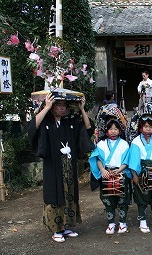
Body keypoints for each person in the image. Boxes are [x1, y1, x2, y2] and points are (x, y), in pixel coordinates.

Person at [28, 93, 95, 243]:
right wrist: (46, 107)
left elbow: (88, 127)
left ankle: (66, 226)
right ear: (52, 107)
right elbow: (33, 127)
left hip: (68, 165)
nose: (62, 108)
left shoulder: (69, 122)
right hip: (53, 165)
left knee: (69, 192)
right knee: (55, 194)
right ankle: (55, 229)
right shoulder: (46, 121)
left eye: (64, 105)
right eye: (59, 105)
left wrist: (82, 109)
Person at [89, 117, 131, 235]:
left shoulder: (124, 144)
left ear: (120, 131)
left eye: (116, 129)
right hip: (106, 173)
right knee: (108, 200)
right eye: (110, 129)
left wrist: (119, 170)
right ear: (106, 131)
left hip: (120, 173)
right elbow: (97, 159)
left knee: (123, 200)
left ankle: (122, 223)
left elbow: (126, 161)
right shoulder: (101, 144)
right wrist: (102, 170)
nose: (113, 131)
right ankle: (111, 223)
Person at [128, 110, 152, 233]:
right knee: (141, 196)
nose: (148, 129)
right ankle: (142, 221)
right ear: (140, 128)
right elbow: (133, 159)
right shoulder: (136, 142)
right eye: (146, 126)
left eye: (151, 127)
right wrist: (134, 174)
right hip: (142, 170)